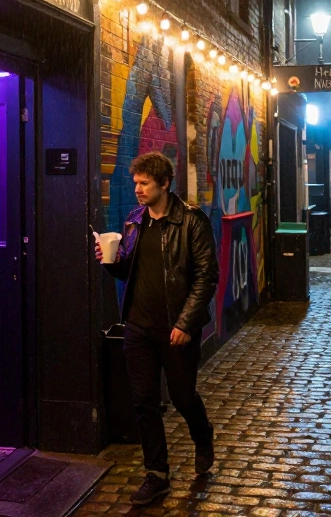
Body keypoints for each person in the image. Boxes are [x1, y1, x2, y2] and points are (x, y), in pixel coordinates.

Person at [97, 152, 219, 505]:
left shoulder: (193, 222)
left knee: (182, 397)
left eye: (144, 183)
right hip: (138, 327)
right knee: (143, 403)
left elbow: (205, 278)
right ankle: (157, 474)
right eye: (135, 182)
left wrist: (185, 323)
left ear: (164, 183)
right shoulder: (135, 221)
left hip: (176, 329)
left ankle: (203, 435)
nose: (137, 189)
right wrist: (109, 261)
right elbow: (127, 271)